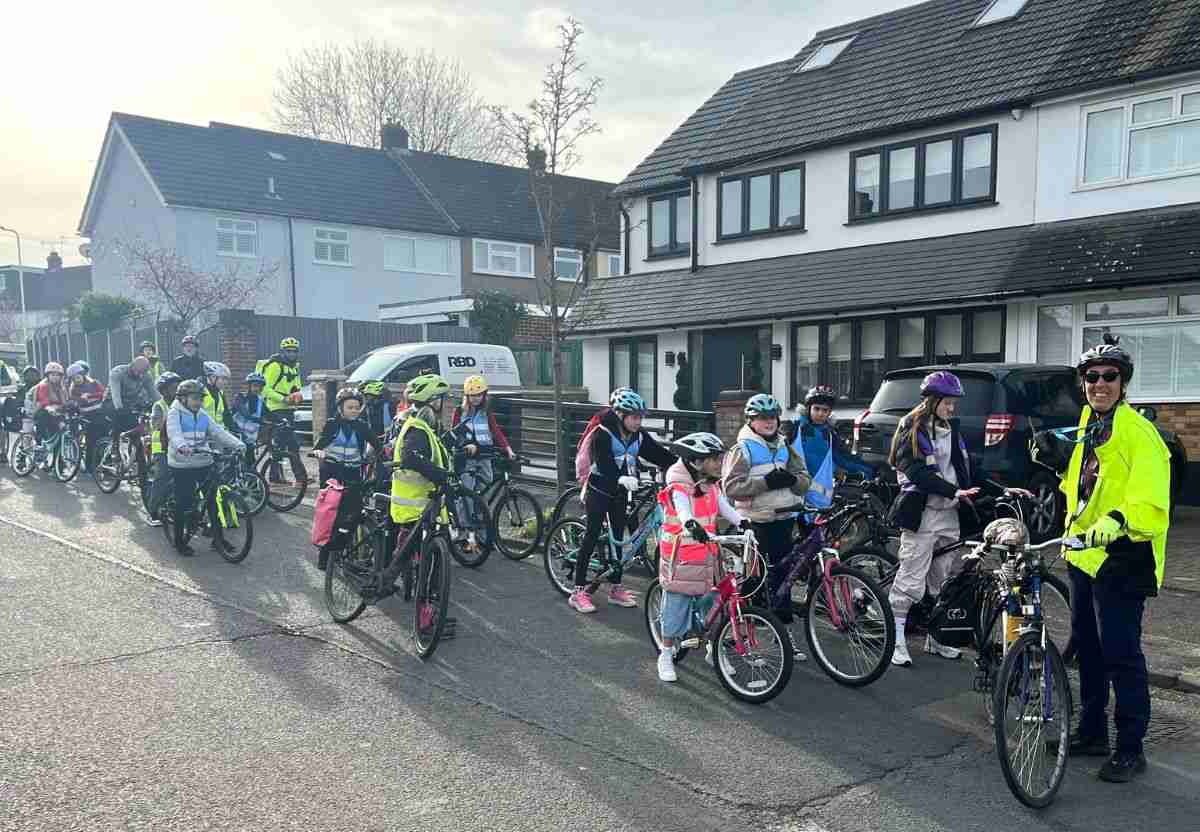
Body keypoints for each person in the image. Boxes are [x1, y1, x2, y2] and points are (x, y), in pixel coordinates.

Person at [1060, 335, 1170, 783]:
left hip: (1125, 557)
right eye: (1092, 377)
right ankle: (1092, 733)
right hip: (1085, 556)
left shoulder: (1139, 433)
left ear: (1123, 384)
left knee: (1121, 655)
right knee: (1088, 650)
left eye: (1110, 376)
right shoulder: (1090, 425)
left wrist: (1120, 517)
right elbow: (1084, 487)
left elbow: (1153, 499)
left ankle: (1130, 747)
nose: (1100, 384)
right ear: (1083, 383)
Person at [885, 371, 981, 668]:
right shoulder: (911, 428)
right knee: (910, 581)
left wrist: (1002, 489)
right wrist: (954, 491)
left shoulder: (950, 429)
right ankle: (895, 640)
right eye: (947, 402)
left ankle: (936, 638)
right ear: (932, 400)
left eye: (954, 402)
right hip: (923, 515)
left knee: (942, 580)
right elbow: (916, 472)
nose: (952, 408)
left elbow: (963, 469)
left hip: (949, 513)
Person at [570, 389, 677, 614]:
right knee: (592, 535)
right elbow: (604, 463)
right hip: (599, 490)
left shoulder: (638, 435)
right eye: (634, 417)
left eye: (640, 417)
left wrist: (683, 465)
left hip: (620, 493)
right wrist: (620, 478)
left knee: (618, 539)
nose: (638, 422)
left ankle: (615, 588)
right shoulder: (602, 433)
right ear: (620, 415)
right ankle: (578, 592)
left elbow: (658, 454)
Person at [655, 432, 748, 683]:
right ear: (696, 461)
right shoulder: (679, 484)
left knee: (714, 604)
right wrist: (690, 524)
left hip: (707, 554)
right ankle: (666, 653)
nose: (719, 463)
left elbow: (724, 508)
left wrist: (743, 522)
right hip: (681, 557)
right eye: (714, 459)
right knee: (676, 606)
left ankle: (713, 649)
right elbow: (683, 509)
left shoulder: (710, 484)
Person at [722, 393, 812, 631]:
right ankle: (748, 623)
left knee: (783, 573)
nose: (769, 422)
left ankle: (781, 625)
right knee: (756, 575)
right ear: (751, 421)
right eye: (762, 418)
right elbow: (730, 488)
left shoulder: (785, 445)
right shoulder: (742, 449)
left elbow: (804, 480)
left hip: (784, 517)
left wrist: (793, 480)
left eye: (772, 417)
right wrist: (765, 483)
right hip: (757, 520)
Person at [166, 378, 245, 556]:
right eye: (195, 398)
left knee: (213, 502)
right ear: (183, 398)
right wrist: (182, 446)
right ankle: (179, 542)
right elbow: (174, 432)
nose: (198, 402)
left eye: (200, 399)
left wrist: (238, 444)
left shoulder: (202, 414)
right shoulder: (175, 413)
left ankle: (218, 540)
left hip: (203, 460)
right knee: (183, 501)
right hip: (182, 462)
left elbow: (217, 432)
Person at [312, 387, 382, 570]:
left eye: (357, 408)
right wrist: (318, 452)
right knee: (332, 516)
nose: (354, 411)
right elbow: (319, 445)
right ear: (340, 408)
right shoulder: (332, 424)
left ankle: (348, 549)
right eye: (350, 407)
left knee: (354, 513)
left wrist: (382, 456)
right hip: (332, 475)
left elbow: (377, 445)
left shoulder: (362, 426)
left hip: (353, 474)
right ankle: (324, 556)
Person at [791, 385, 875, 509]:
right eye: (816, 409)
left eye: (825, 410)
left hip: (819, 496)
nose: (820, 414)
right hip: (795, 492)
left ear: (830, 412)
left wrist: (867, 469)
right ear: (808, 409)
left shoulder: (830, 434)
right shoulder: (795, 429)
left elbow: (842, 458)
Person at [259, 336, 306, 487]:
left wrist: (297, 395)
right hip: (275, 410)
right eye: (288, 351)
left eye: (294, 351)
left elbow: (296, 387)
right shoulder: (275, 366)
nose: (291, 354)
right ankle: (298, 478)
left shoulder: (295, 367)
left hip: (289, 409)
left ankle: (278, 476)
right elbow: (264, 389)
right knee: (288, 444)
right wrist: (283, 399)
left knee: (285, 445)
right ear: (282, 351)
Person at [145, 372, 182, 527]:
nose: (177, 391)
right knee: (162, 478)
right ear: (164, 390)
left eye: (178, 387)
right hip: (161, 448)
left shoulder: (182, 404)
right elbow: (156, 425)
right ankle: (152, 512)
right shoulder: (159, 406)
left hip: (178, 446)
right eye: (174, 388)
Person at [66, 361, 106, 472]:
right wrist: (80, 399)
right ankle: (90, 466)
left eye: (78, 377)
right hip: (87, 417)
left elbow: (103, 393)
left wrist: (90, 395)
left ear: (83, 375)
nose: (76, 380)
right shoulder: (73, 389)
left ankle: (103, 463)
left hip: (100, 414)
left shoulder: (94, 383)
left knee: (103, 439)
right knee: (91, 441)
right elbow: (74, 400)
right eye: (74, 379)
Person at [30, 363, 68, 462]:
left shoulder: (61, 387)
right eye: (53, 375)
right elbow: (44, 401)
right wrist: (50, 408)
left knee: (59, 437)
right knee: (42, 429)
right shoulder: (43, 385)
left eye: (57, 375)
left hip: (56, 413)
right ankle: (38, 447)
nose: (55, 377)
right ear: (48, 375)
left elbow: (65, 402)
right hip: (42, 411)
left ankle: (58, 463)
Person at [231, 372, 267, 469]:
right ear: (249, 386)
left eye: (260, 386)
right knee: (238, 465)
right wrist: (259, 420)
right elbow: (244, 412)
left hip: (250, 439)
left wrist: (282, 421)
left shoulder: (260, 401)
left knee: (251, 465)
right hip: (237, 435)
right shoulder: (240, 397)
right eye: (255, 386)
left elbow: (269, 414)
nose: (257, 389)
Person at [201, 361, 234, 430]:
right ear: (213, 377)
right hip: (204, 431)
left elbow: (227, 415)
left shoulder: (220, 393)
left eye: (226, 379)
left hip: (219, 432)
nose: (226, 382)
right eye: (223, 379)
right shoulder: (200, 391)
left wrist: (235, 429)